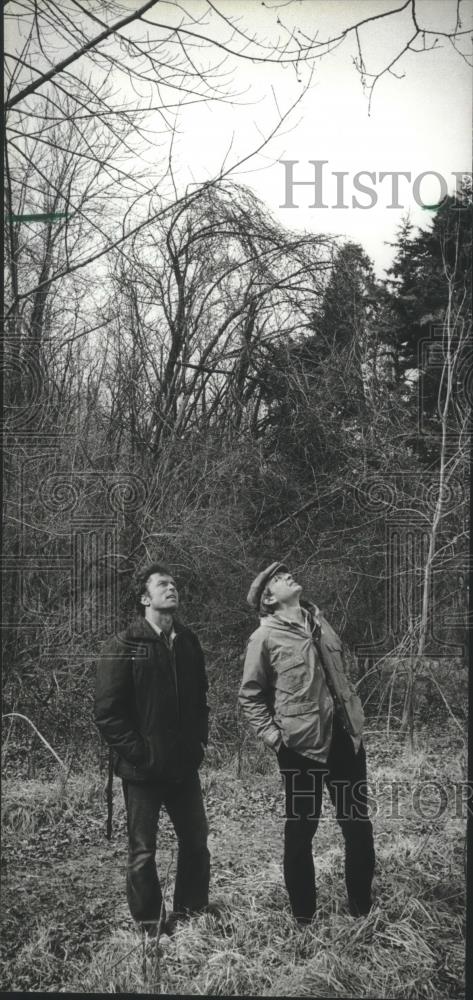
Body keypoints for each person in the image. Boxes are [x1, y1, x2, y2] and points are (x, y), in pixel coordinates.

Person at [238, 561, 375, 926]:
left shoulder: (320, 622)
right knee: (301, 833)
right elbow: (250, 696)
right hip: (300, 751)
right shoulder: (263, 638)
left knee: (358, 825)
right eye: (279, 579)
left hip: (345, 740)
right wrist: (274, 739)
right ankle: (304, 920)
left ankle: (362, 911)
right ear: (268, 598)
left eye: (287, 574)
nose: (289, 576)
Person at [94, 562, 211, 937]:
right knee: (143, 852)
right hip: (142, 771)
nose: (171, 588)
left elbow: (200, 702)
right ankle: (150, 927)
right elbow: (108, 714)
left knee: (195, 842)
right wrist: (142, 754)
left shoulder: (188, 642)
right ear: (145, 598)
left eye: (174, 584)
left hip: (183, 767)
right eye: (162, 584)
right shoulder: (124, 644)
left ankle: (191, 914)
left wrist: (197, 745)